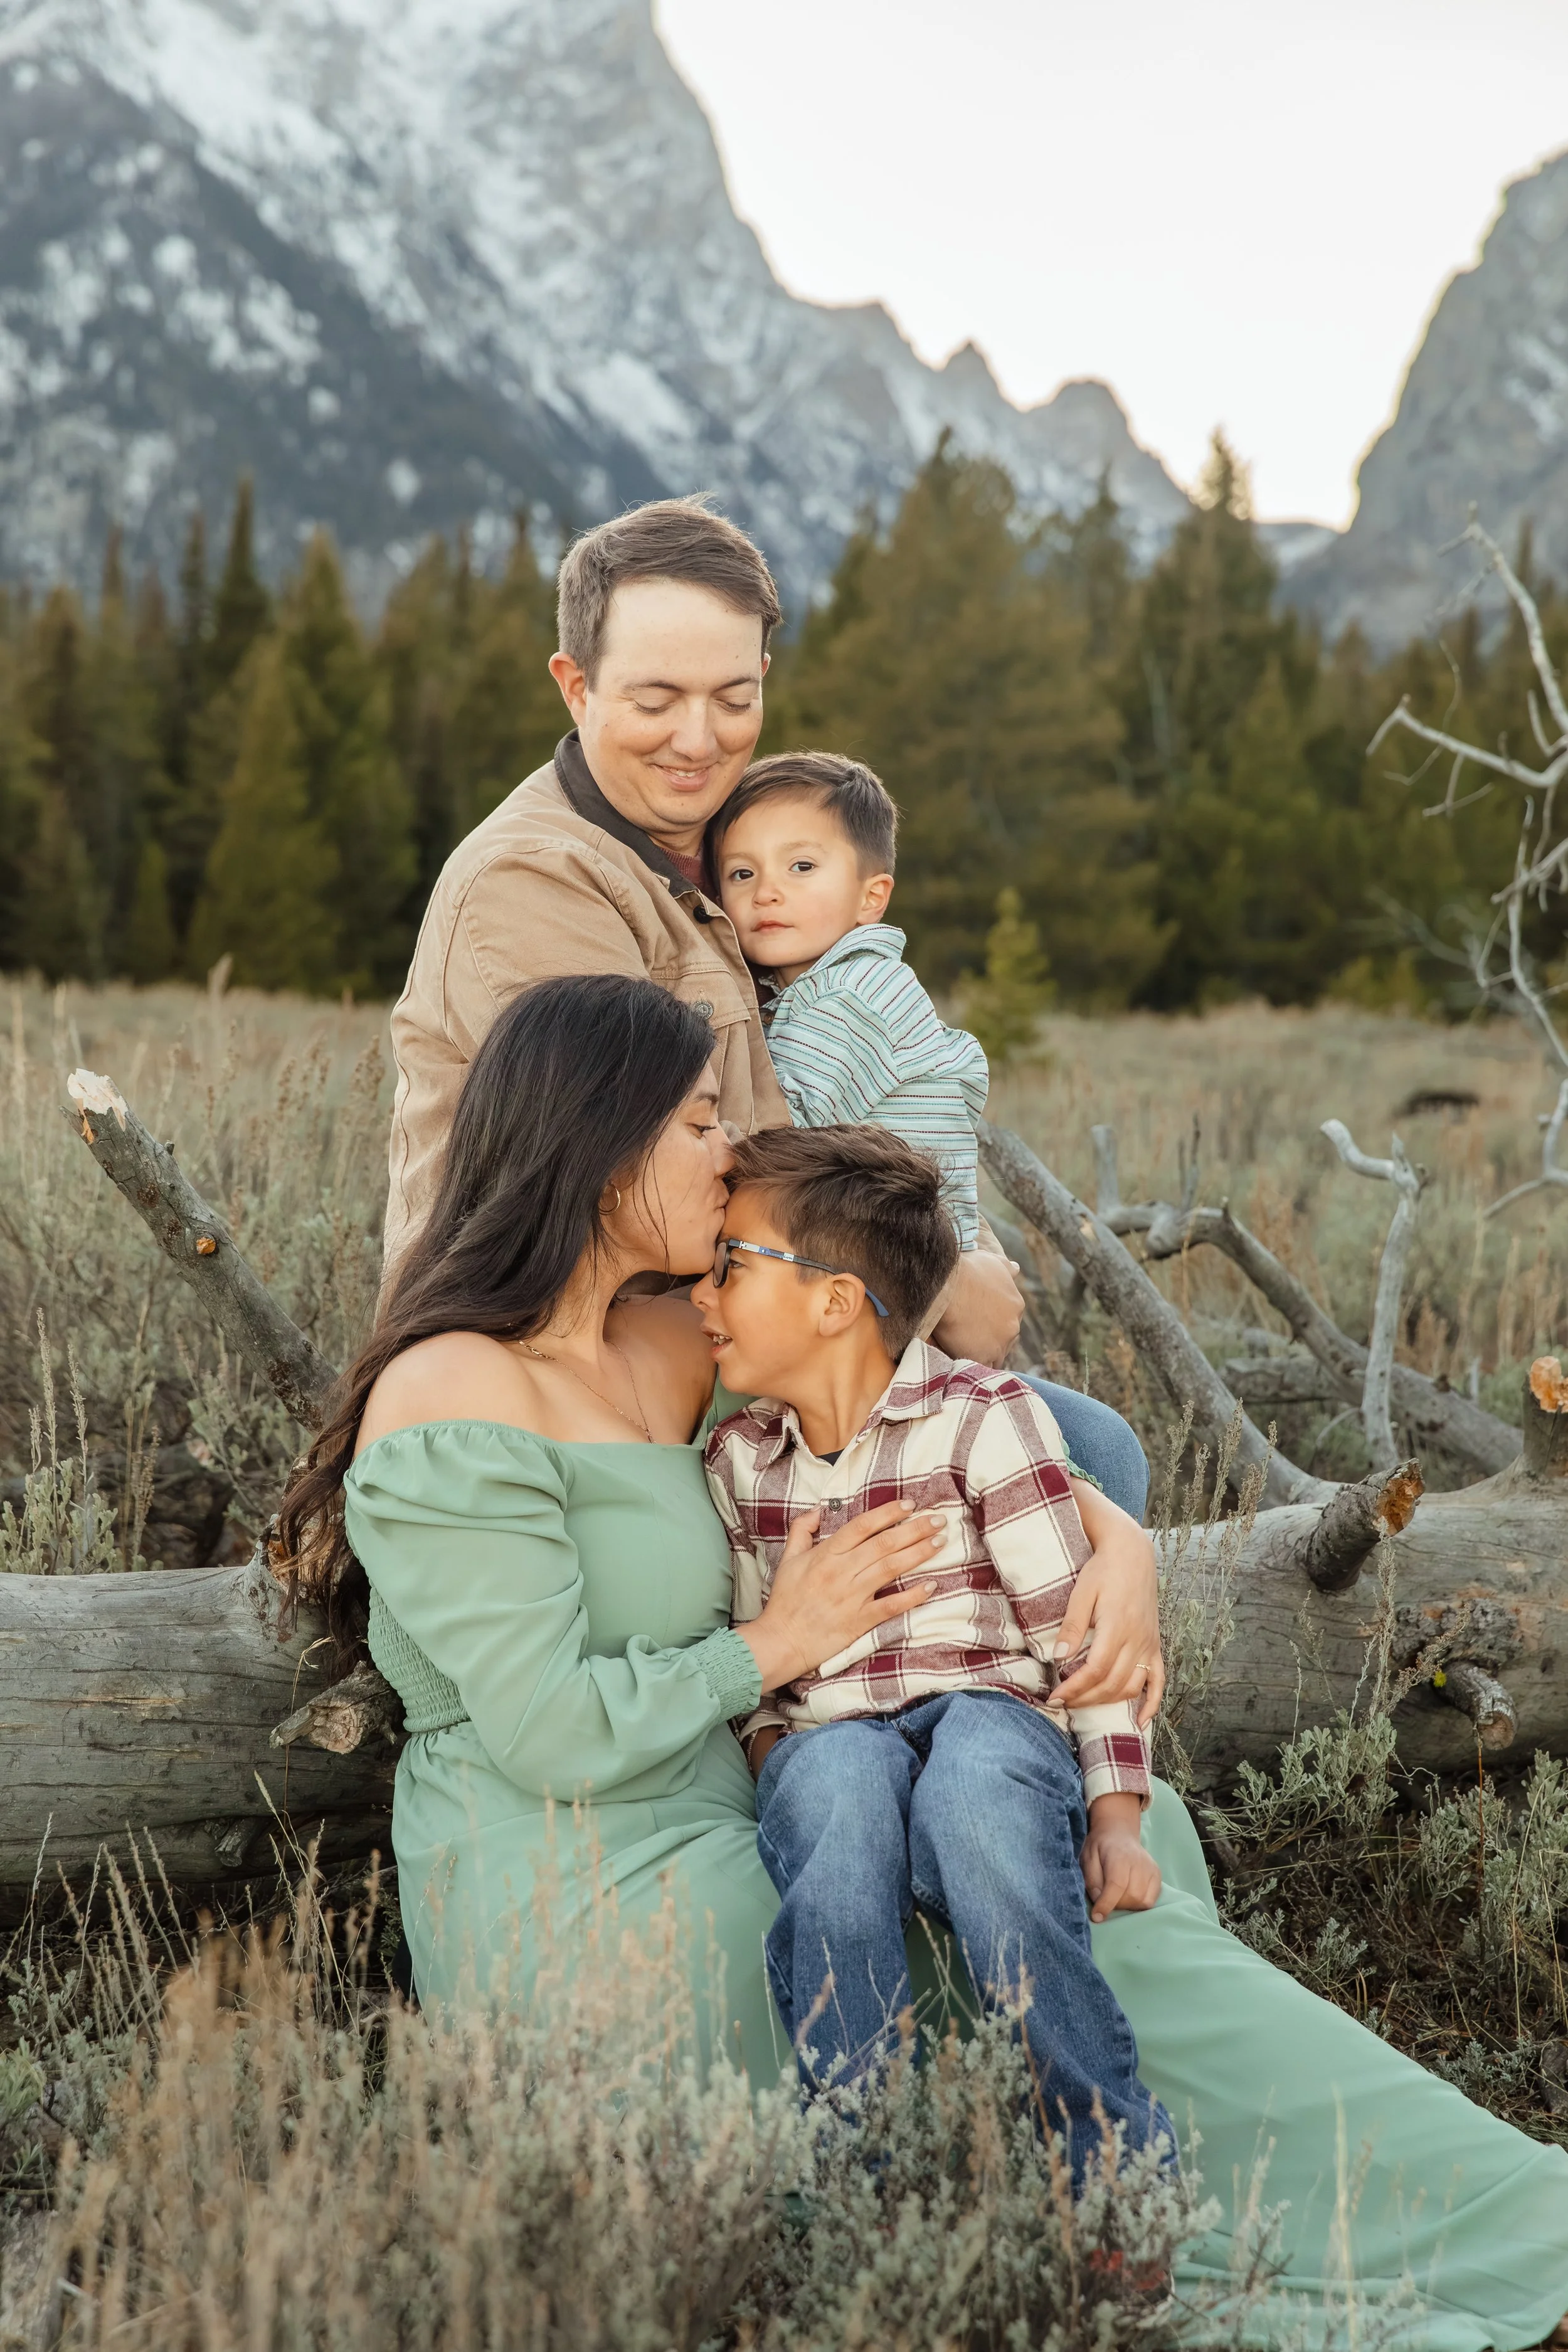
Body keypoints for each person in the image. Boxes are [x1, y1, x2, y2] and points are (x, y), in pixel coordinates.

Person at [280, 974, 1568, 2350]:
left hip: (747, 1795)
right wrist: (772, 1645)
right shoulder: (450, 1392)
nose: (727, 1151)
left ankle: (1401, 2229)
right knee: (1011, 1918)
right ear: (599, 1152)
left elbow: (950, 1415)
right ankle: (1350, 2243)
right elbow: (544, 1728)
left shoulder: (670, 1334)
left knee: (1081, 1860)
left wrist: (1116, 1538)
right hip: (581, 1873)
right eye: (701, 1119)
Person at [381, 494, 1071, 1447]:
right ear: (575, 686)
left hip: (755, 1334)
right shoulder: (535, 879)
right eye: (656, 700)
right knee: (1084, 1457)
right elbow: (641, 1171)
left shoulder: (744, 855)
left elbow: (872, 1089)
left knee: (1076, 1467)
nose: (700, 741)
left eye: (735, 699)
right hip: (576, 1380)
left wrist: (957, 1242)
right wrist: (935, 1269)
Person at [697, 1123, 1172, 2181]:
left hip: (990, 1719)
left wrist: (1118, 1818)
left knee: (978, 1782)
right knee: (837, 1794)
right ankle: (869, 2171)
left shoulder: (985, 1421)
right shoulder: (742, 1463)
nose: (703, 1292)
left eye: (731, 1264)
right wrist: (778, 1754)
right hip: (838, 1737)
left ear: (833, 1301)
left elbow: (1074, 1638)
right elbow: (761, 1670)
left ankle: (1112, 2166)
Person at [708, 751, 990, 1246]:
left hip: (894, 1259)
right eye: (742, 874)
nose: (767, 892)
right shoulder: (807, 989)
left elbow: (781, 1132)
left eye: (801, 866)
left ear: (871, 898)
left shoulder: (854, 994)